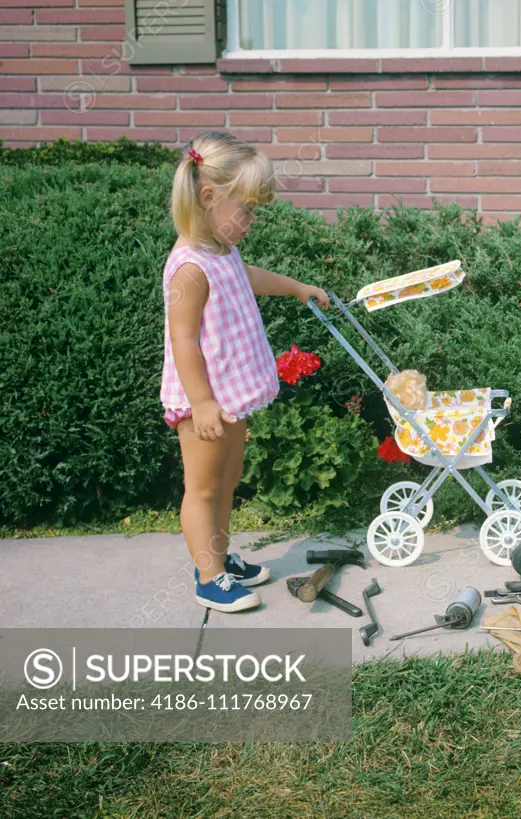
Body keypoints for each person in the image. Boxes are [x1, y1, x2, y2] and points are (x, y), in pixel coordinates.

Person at [160, 131, 328, 613]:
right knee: (204, 488)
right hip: (203, 400)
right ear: (209, 198)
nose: (253, 219)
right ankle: (208, 578)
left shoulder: (221, 250)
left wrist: (297, 287)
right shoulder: (188, 268)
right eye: (248, 209)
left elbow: (248, 277)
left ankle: (220, 557)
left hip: (229, 396)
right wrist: (203, 401)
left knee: (229, 480)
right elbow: (184, 341)